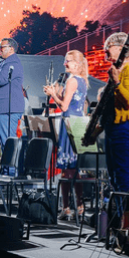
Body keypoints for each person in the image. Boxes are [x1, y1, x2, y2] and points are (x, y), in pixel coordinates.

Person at [43, 50, 89, 220]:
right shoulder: (82, 80)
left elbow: (63, 107)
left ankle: (66, 207)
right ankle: (79, 206)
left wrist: (53, 94)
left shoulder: (71, 81)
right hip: (78, 123)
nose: (65, 63)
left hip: (69, 124)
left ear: (77, 64)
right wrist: (56, 92)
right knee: (75, 169)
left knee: (66, 169)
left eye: (68, 61)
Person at [103, 33, 129, 199]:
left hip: (123, 127)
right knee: (115, 177)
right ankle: (120, 219)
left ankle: (126, 221)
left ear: (121, 48)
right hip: (114, 127)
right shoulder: (118, 70)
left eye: (109, 46)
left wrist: (117, 82)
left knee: (122, 176)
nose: (105, 50)